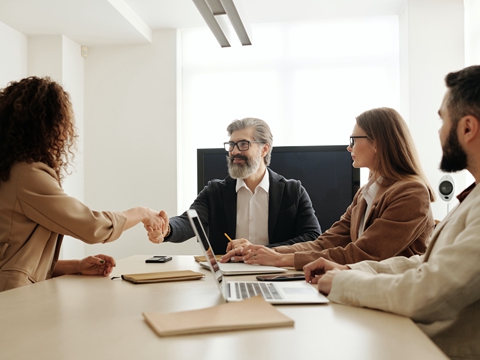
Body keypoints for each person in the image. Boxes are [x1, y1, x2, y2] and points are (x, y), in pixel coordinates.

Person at [303, 65, 480, 359]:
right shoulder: (472, 196)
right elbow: (423, 263)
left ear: (467, 128)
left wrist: (346, 282)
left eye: (442, 121)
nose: (438, 132)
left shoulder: (415, 192)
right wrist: (350, 271)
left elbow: (430, 290)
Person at [0, 76, 167, 292]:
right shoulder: (27, 174)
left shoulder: (12, 170)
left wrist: (76, 266)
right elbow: (92, 226)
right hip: (11, 299)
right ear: (46, 124)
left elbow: (16, 257)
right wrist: (142, 212)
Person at [222, 108, 435, 270]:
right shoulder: (365, 193)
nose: (349, 147)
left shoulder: (411, 193)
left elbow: (365, 254)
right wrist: (266, 252)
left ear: (377, 143)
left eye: (354, 139)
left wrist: (282, 259)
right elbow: (325, 242)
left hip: (391, 298)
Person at [153, 117, 321, 254]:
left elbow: (313, 237)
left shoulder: (293, 191)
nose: (234, 152)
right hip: (228, 273)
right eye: (232, 145)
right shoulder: (215, 191)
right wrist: (165, 229)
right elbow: (188, 222)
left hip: (278, 273)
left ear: (264, 149)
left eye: (243, 144)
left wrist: (260, 251)